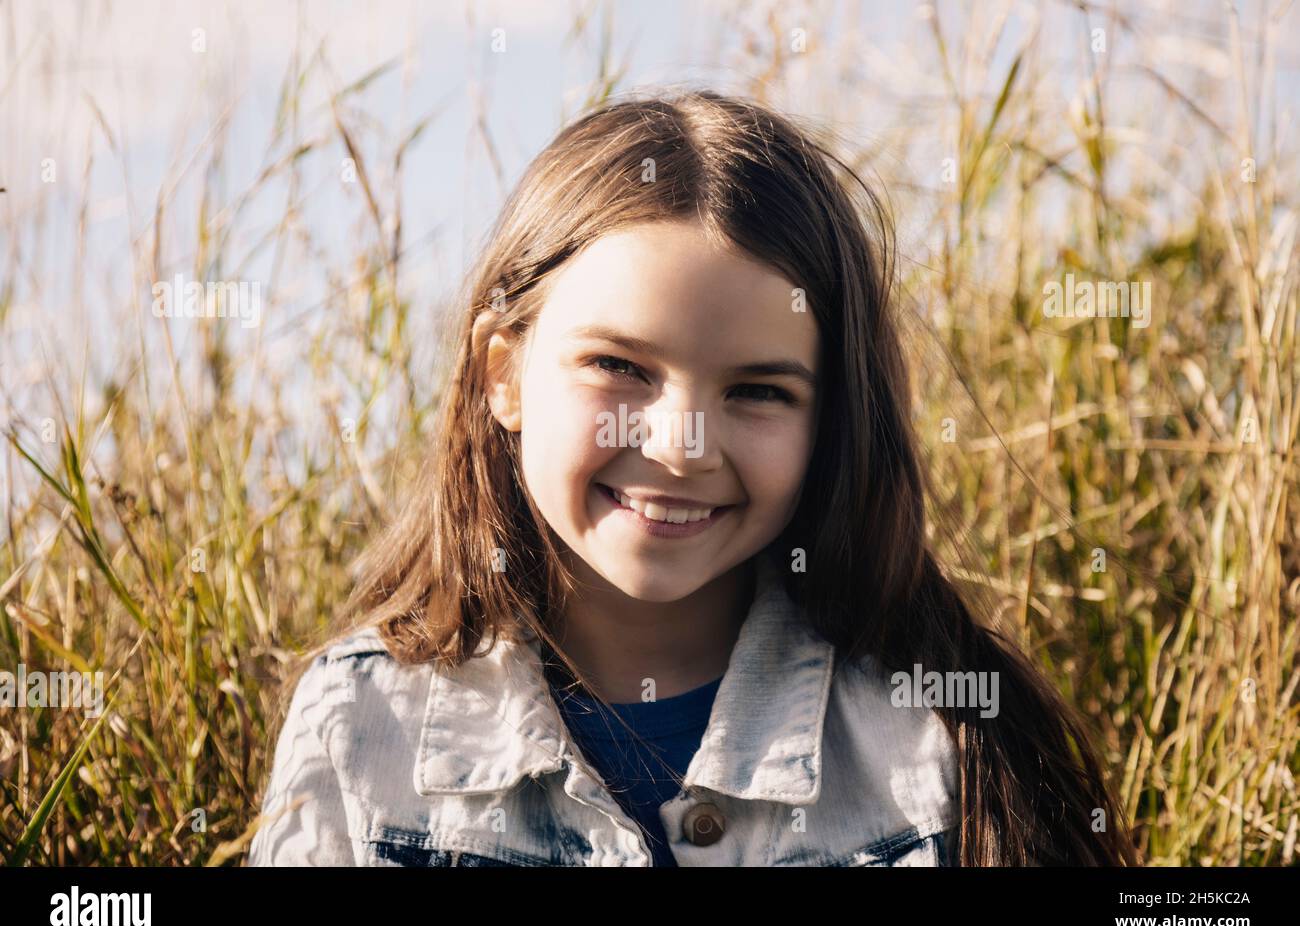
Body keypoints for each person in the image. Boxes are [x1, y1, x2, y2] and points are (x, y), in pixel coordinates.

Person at [248, 88, 1137, 867]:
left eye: (757, 390)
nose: (681, 446)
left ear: (829, 418)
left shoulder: (935, 734)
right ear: (502, 374)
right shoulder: (363, 722)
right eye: (620, 367)